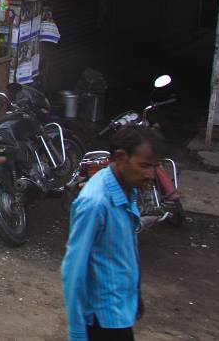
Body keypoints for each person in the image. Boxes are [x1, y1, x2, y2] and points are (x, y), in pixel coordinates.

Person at [61, 126, 163, 341]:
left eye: (154, 167)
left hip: (120, 308)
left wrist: (136, 295)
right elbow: (73, 270)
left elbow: (123, 252)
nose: (150, 175)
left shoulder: (127, 188)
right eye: (144, 166)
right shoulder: (95, 203)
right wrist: (77, 334)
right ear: (120, 157)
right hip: (103, 321)